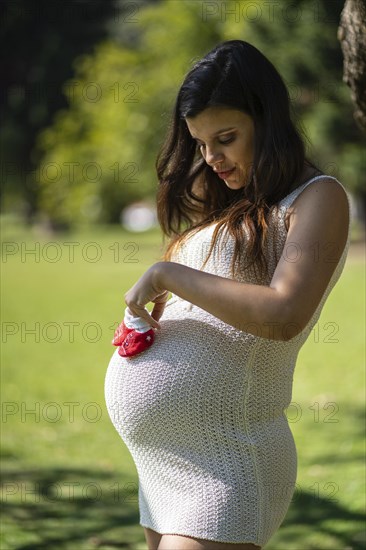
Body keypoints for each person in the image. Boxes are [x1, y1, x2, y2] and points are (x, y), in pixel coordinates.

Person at [104, 40, 350, 550]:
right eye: (199, 142)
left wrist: (168, 275)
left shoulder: (319, 197)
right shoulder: (230, 203)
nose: (211, 157)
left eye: (227, 137)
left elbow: (284, 313)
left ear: (269, 121)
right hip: (162, 466)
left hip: (229, 463)